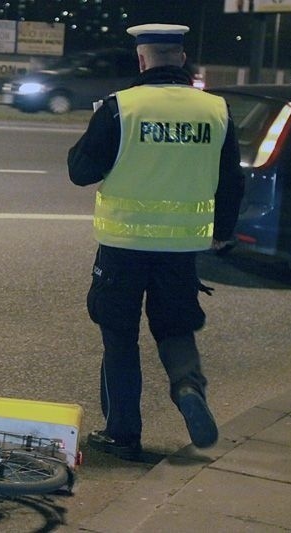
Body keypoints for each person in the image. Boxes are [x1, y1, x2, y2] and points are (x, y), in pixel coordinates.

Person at [67, 23, 244, 460]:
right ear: (181, 59)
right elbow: (232, 181)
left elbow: (80, 171)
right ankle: (187, 385)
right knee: (175, 326)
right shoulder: (216, 110)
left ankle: (123, 433)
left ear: (141, 60)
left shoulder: (120, 108)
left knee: (119, 335)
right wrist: (222, 232)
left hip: (123, 244)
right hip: (182, 249)